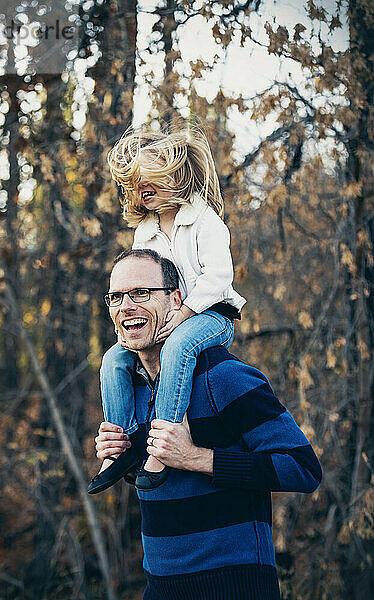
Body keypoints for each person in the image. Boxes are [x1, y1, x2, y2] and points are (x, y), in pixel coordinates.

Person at [92, 249, 322, 600]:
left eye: (141, 293)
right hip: (161, 587)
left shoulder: (224, 377)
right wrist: (123, 455)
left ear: (176, 300)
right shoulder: (131, 387)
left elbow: (303, 469)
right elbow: (159, 478)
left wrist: (195, 457)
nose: (126, 306)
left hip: (234, 586)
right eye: (117, 297)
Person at [88, 125, 246, 493]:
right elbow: (137, 280)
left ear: (173, 177)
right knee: (114, 359)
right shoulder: (145, 230)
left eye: (150, 183)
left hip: (212, 314)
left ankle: (163, 439)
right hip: (169, 315)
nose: (143, 193)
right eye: (137, 187)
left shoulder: (204, 220)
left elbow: (220, 276)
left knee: (178, 347)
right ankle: (124, 444)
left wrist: (185, 313)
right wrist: (130, 323)